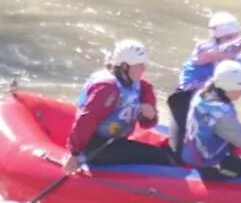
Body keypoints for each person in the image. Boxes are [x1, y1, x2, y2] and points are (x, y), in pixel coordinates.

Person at [167, 12, 241, 153]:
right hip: (185, 102)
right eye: (228, 38)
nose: (233, 42)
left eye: (234, 37)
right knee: (177, 152)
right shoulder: (202, 49)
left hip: (214, 107)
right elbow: (228, 50)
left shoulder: (238, 62)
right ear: (215, 38)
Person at [62, 39, 174, 170]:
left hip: (117, 141)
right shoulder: (107, 88)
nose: (143, 68)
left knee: (164, 154)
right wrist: (74, 154)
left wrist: (149, 115)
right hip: (96, 146)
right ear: (125, 67)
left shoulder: (142, 86)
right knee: (159, 157)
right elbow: (87, 119)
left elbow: (147, 124)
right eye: (139, 65)